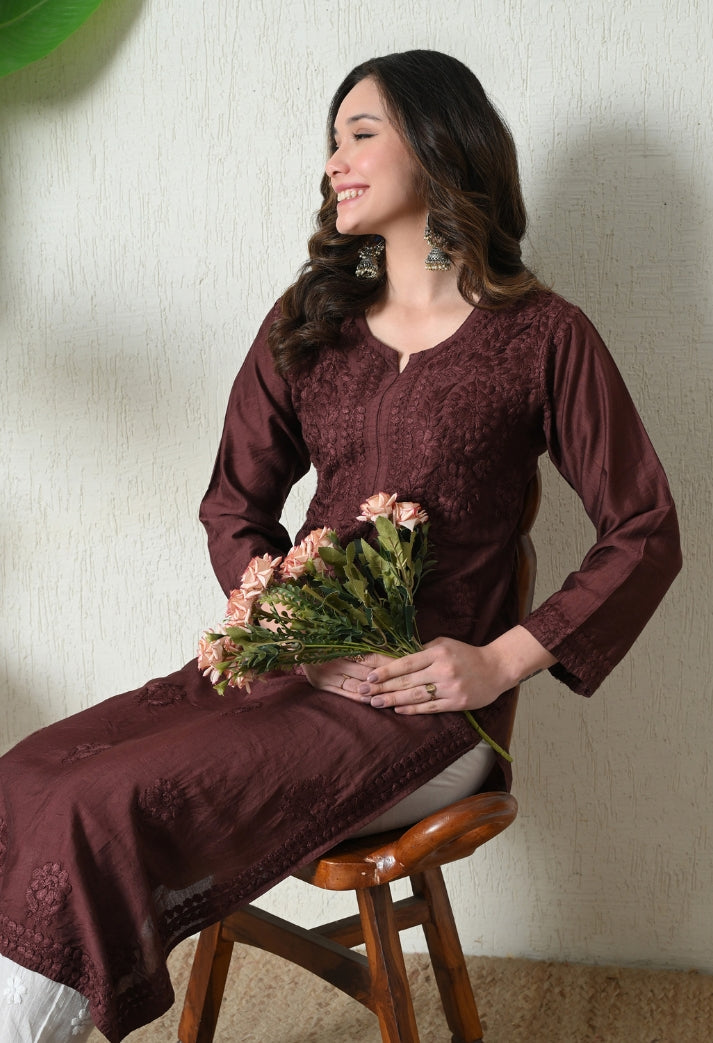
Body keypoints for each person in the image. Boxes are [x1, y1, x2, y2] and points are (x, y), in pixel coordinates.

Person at [0, 49, 681, 1042]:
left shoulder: (541, 336)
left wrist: (497, 660)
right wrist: (298, 639)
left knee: (103, 803)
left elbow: (644, 528)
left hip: (426, 717)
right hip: (290, 675)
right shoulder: (311, 321)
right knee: (31, 772)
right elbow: (233, 504)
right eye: (331, 139)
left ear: (440, 145)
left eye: (360, 134)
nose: (334, 162)